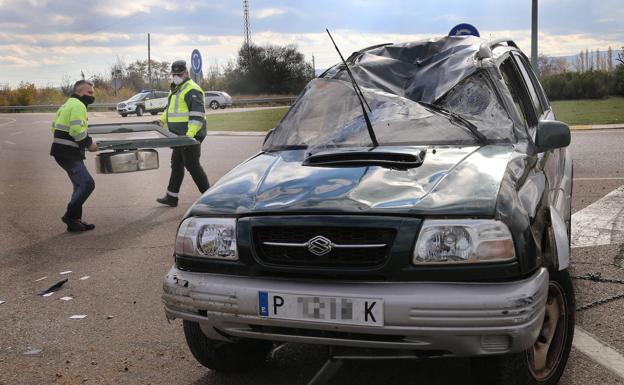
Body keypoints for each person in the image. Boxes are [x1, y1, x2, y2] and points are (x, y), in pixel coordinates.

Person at [155, 60, 209, 207]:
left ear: (186, 73)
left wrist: (189, 136)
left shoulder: (192, 89)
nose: (176, 76)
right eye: (174, 74)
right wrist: (160, 120)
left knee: (192, 165)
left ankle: (209, 197)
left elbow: (197, 116)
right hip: (178, 137)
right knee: (177, 164)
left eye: (179, 74)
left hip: (188, 136)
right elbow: (169, 110)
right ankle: (172, 196)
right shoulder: (176, 89)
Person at [50, 80, 98, 232]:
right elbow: (77, 130)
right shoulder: (78, 105)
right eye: (89, 92)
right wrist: (89, 144)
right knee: (87, 184)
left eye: (93, 93)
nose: (92, 96)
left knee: (79, 185)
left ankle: (75, 221)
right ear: (79, 92)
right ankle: (70, 216)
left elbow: (53, 127)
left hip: (63, 152)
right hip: (68, 153)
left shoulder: (66, 104)